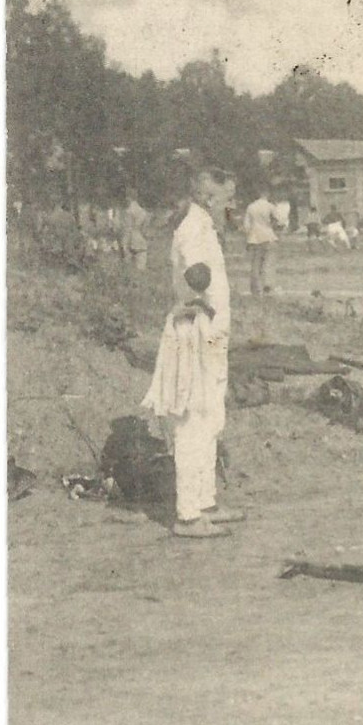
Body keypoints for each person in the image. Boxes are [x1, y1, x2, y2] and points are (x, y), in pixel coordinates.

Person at [142, 167, 240, 539]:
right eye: (227, 198)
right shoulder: (193, 229)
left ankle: (206, 501)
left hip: (213, 332)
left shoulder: (206, 228)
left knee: (212, 414)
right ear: (209, 197)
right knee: (194, 417)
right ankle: (187, 514)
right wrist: (201, 309)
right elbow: (195, 279)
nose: (231, 206)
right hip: (197, 331)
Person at [243, 181, 280, 297]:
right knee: (269, 263)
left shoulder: (251, 207)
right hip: (269, 236)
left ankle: (256, 289)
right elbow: (278, 221)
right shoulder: (270, 206)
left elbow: (246, 225)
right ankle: (268, 286)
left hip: (254, 238)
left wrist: (248, 238)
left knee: (255, 264)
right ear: (267, 193)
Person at [121, 189, 151, 271]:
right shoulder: (143, 212)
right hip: (141, 242)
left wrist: (124, 245)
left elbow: (128, 228)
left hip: (131, 242)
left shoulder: (129, 211)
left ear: (128, 198)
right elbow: (145, 230)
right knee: (141, 271)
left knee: (129, 272)